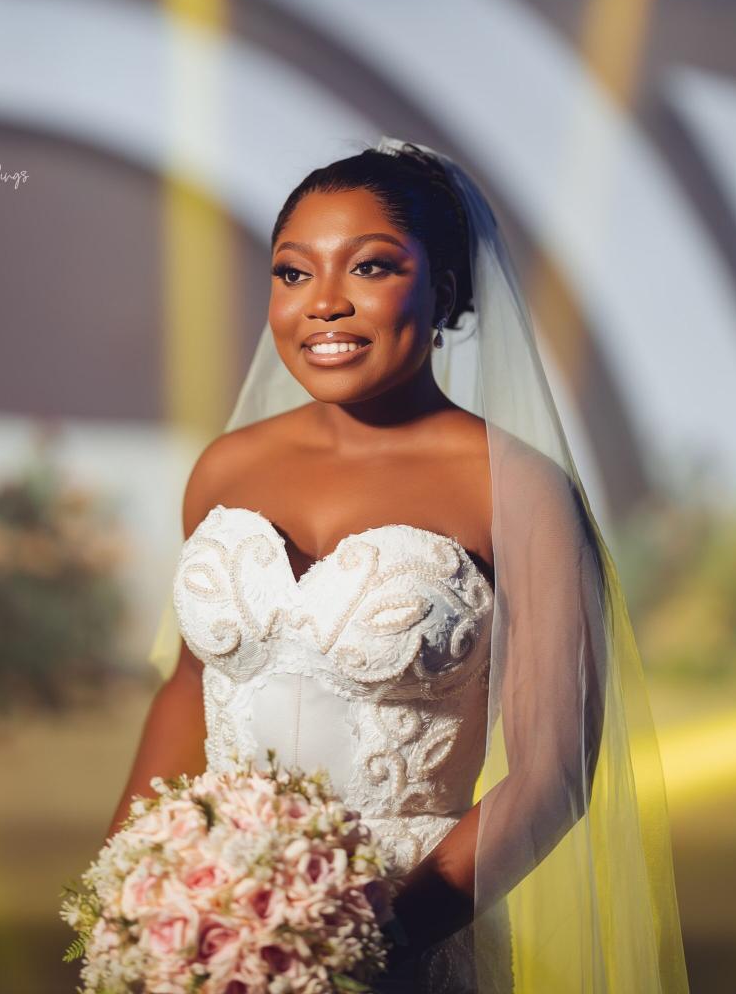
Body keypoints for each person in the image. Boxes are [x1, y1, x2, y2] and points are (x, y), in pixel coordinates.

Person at [108, 138, 689, 993]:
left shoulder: (516, 489)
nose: (323, 303)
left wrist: (353, 948)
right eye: (293, 273)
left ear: (444, 291)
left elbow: (552, 776)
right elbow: (189, 687)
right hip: (210, 936)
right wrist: (131, 906)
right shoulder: (225, 469)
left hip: (411, 933)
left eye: (371, 267)